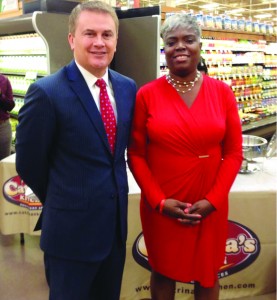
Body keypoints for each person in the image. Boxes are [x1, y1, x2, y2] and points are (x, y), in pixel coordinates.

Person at [16, 1, 136, 299]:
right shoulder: (47, 92)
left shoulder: (127, 88)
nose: (99, 42)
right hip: (69, 236)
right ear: (72, 39)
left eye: (107, 34)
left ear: (116, 41)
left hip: (114, 232)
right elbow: (29, 163)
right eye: (89, 33)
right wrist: (65, 196)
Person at [127, 13, 243, 300]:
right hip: (164, 204)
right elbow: (136, 154)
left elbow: (233, 153)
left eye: (188, 40)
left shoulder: (223, 93)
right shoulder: (147, 95)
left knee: (207, 273)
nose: (180, 46)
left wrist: (214, 200)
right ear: (163, 49)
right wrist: (159, 201)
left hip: (210, 203)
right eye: (171, 41)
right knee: (163, 270)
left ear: (199, 46)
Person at [0, 74, 15, 161]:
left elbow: (10, 106)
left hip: (3, 127)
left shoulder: (4, 80)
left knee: (4, 162)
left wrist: (0, 95)